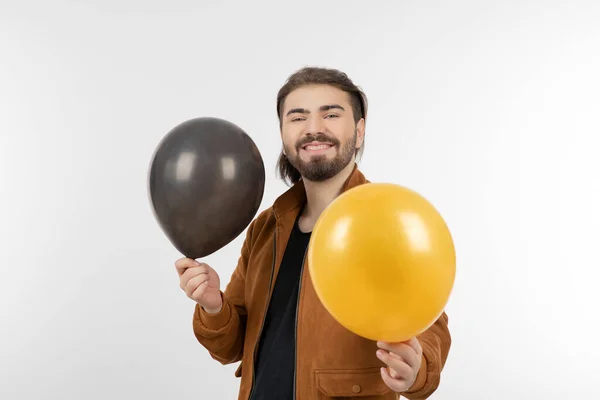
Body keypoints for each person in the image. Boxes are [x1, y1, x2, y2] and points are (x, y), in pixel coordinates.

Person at [175, 66, 451, 399]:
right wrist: (214, 306)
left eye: (331, 115)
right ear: (283, 134)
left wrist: (417, 368)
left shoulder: (387, 219)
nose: (314, 129)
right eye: (297, 118)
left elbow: (429, 326)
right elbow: (231, 347)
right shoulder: (266, 228)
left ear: (359, 131)